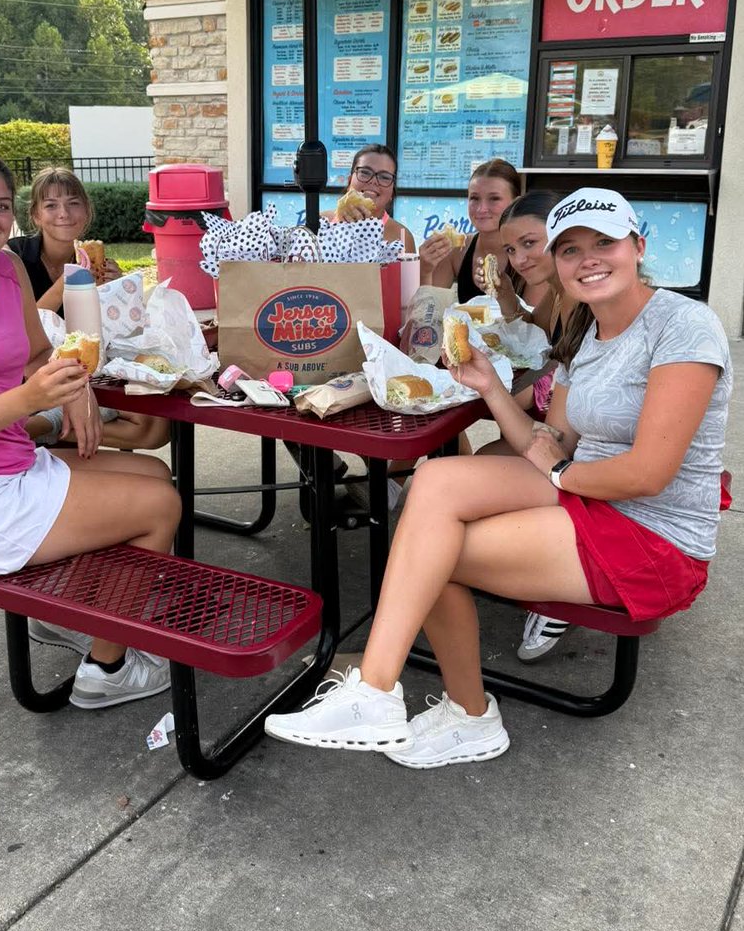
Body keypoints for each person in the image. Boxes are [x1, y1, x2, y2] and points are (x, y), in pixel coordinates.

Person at [265, 187, 731, 768]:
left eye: (604, 243)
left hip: (652, 534)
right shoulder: (589, 331)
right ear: (558, 265)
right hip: (589, 491)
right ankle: (380, 692)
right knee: (435, 489)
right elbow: (552, 438)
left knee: (435, 554)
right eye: (570, 249)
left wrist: (560, 473)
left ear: (637, 246)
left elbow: (647, 474)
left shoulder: (684, 325)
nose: (588, 259)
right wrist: (487, 386)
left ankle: (461, 713)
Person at [0, 130, 182, 710]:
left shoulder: (4, 272)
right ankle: (106, 668)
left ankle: (86, 613)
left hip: (13, 465)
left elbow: (35, 355)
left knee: (150, 472)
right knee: (161, 507)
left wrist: (73, 391)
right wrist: (27, 402)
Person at [479, 189, 589, 661]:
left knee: (478, 473)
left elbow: (563, 439)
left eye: (529, 243)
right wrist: (505, 294)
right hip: (567, 438)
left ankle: (560, 585)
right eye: (510, 249)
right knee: (483, 461)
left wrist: (497, 392)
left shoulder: (587, 303)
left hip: (588, 460)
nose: (519, 258)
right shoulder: (561, 296)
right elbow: (540, 337)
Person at [8, 166, 169, 453]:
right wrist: (67, 283)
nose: (64, 213)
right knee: (145, 427)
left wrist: (118, 293)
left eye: (73, 203)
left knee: (157, 428)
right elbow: (23, 330)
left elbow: (116, 333)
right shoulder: (15, 258)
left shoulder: (96, 261)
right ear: (35, 215)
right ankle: (39, 428)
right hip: (29, 374)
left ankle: (43, 430)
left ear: (86, 212)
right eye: (51, 205)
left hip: (86, 371)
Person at [418, 158, 521, 298]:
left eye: (494, 198)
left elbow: (536, 318)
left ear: (515, 203)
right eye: (474, 198)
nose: (481, 209)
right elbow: (429, 309)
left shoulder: (529, 253)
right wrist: (425, 270)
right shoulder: (457, 250)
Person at [327, 145, 417, 250]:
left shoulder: (402, 237)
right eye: (365, 172)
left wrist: (426, 266)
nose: (373, 181)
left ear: (392, 193)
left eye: (384, 177)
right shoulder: (321, 223)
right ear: (349, 181)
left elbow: (411, 267)